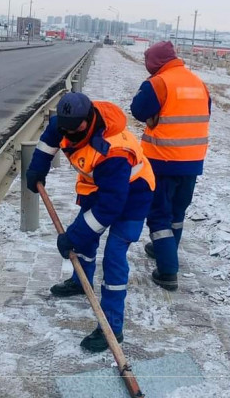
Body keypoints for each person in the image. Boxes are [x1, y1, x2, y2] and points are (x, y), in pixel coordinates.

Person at [25, 92, 155, 352]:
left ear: (88, 119)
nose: (70, 133)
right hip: (98, 188)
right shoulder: (65, 122)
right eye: (65, 127)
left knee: (114, 257)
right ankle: (80, 281)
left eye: (76, 128)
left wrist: (73, 235)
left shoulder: (114, 151)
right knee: (84, 240)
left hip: (134, 195)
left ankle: (112, 328)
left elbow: (110, 208)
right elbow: (48, 141)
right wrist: (37, 168)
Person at [130, 41, 211, 291]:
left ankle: (167, 271)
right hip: (192, 161)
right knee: (177, 212)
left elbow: (138, 110)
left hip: (162, 161)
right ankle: (166, 250)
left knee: (159, 216)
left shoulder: (158, 83)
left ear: (154, 62)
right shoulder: (198, 82)